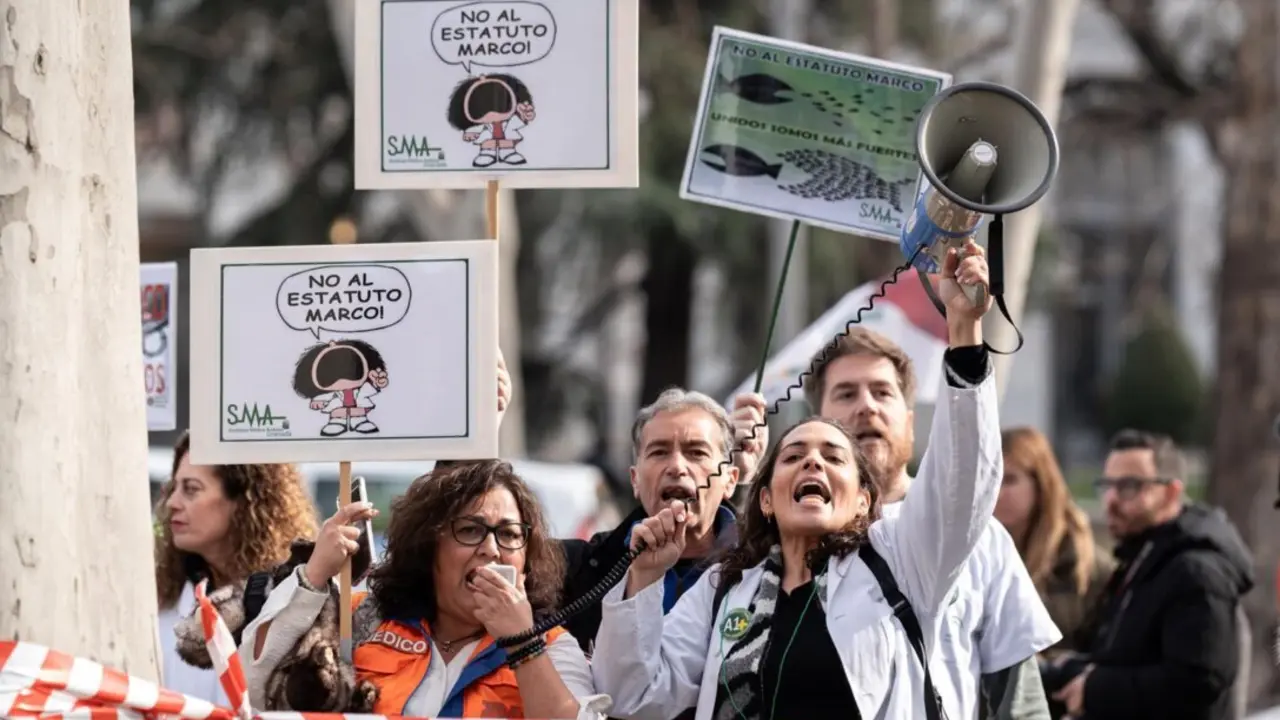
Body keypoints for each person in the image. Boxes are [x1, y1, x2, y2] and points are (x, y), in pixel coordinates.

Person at [593, 240, 1003, 718]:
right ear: (765, 500)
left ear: (863, 501)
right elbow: (634, 698)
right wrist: (644, 578)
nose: (813, 464)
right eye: (793, 456)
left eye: (832, 456)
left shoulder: (902, 561)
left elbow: (960, 485)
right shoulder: (723, 588)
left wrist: (965, 330)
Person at [733, 325, 1061, 719]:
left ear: (908, 421)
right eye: (847, 393)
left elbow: (1018, 698)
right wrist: (736, 477)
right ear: (818, 423)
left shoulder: (982, 537)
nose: (867, 407)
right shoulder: (786, 540)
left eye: (882, 392)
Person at [238, 460, 609, 719]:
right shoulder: (364, 619)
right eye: (470, 530)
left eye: (510, 534)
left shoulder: (553, 646)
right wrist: (317, 572)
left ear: (527, 559)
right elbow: (254, 687)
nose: (492, 549)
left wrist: (522, 645)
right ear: (428, 549)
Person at [1049, 429, 1254, 720]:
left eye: (1129, 486)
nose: (1111, 500)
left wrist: (1095, 689)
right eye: (1107, 485)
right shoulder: (1144, 558)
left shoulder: (1196, 572)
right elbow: (1129, 657)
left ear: (1171, 491)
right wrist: (1073, 671)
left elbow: (1196, 682)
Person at [559, 388, 764, 658]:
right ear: (635, 480)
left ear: (730, 479)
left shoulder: (762, 566)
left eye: (696, 453)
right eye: (659, 452)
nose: (677, 466)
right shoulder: (577, 568)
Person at [154, 431, 319, 703]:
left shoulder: (293, 601)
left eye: (191, 489)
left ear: (244, 502)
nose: (172, 502)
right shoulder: (162, 601)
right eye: (174, 487)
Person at [999, 427, 1114, 656]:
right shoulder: (974, 554)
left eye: (1010, 480)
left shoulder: (1083, 565)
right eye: (991, 477)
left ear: (1041, 484)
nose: (997, 492)